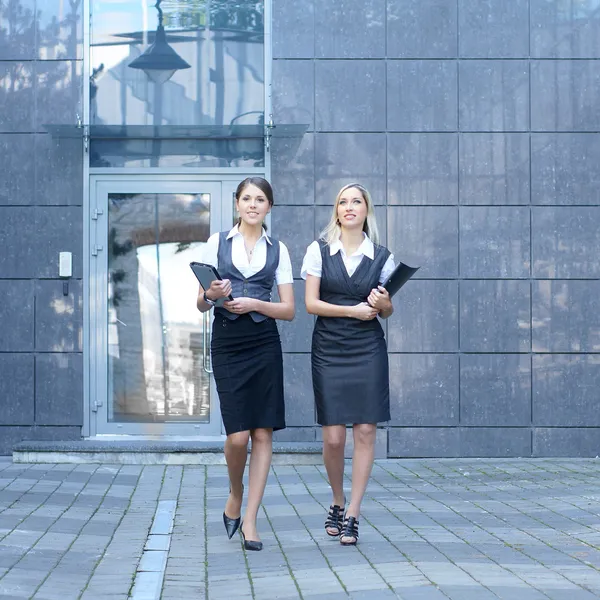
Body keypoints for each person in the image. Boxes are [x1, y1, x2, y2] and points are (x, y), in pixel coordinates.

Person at [197, 177, 295, 551]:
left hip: (264, 343)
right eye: (247, 198)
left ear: (268, 206)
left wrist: (256, 304)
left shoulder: (278, 250)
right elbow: (201, 303)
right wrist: (211, 293)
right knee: (237, 436)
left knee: (262, 432)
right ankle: (235, 493)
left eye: (260, 199)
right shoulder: (216, 243)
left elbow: (288, 310)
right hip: (227, 342)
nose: (253, 204)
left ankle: (251, 519)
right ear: (237, 204)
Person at [301, 182, 395, 546]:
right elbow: (310, 303)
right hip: (329, 348)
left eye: (356, 201)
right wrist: (352, 311)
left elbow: (387, 311)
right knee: (333, 436)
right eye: (343, 202)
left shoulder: (382, 257)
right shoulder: (319, 251)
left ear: (366, 210)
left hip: (368, 349)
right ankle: (337, 499)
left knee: (366, 431)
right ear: (336, 210)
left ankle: (353, 512)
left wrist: (383, 303)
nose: (349, 207)